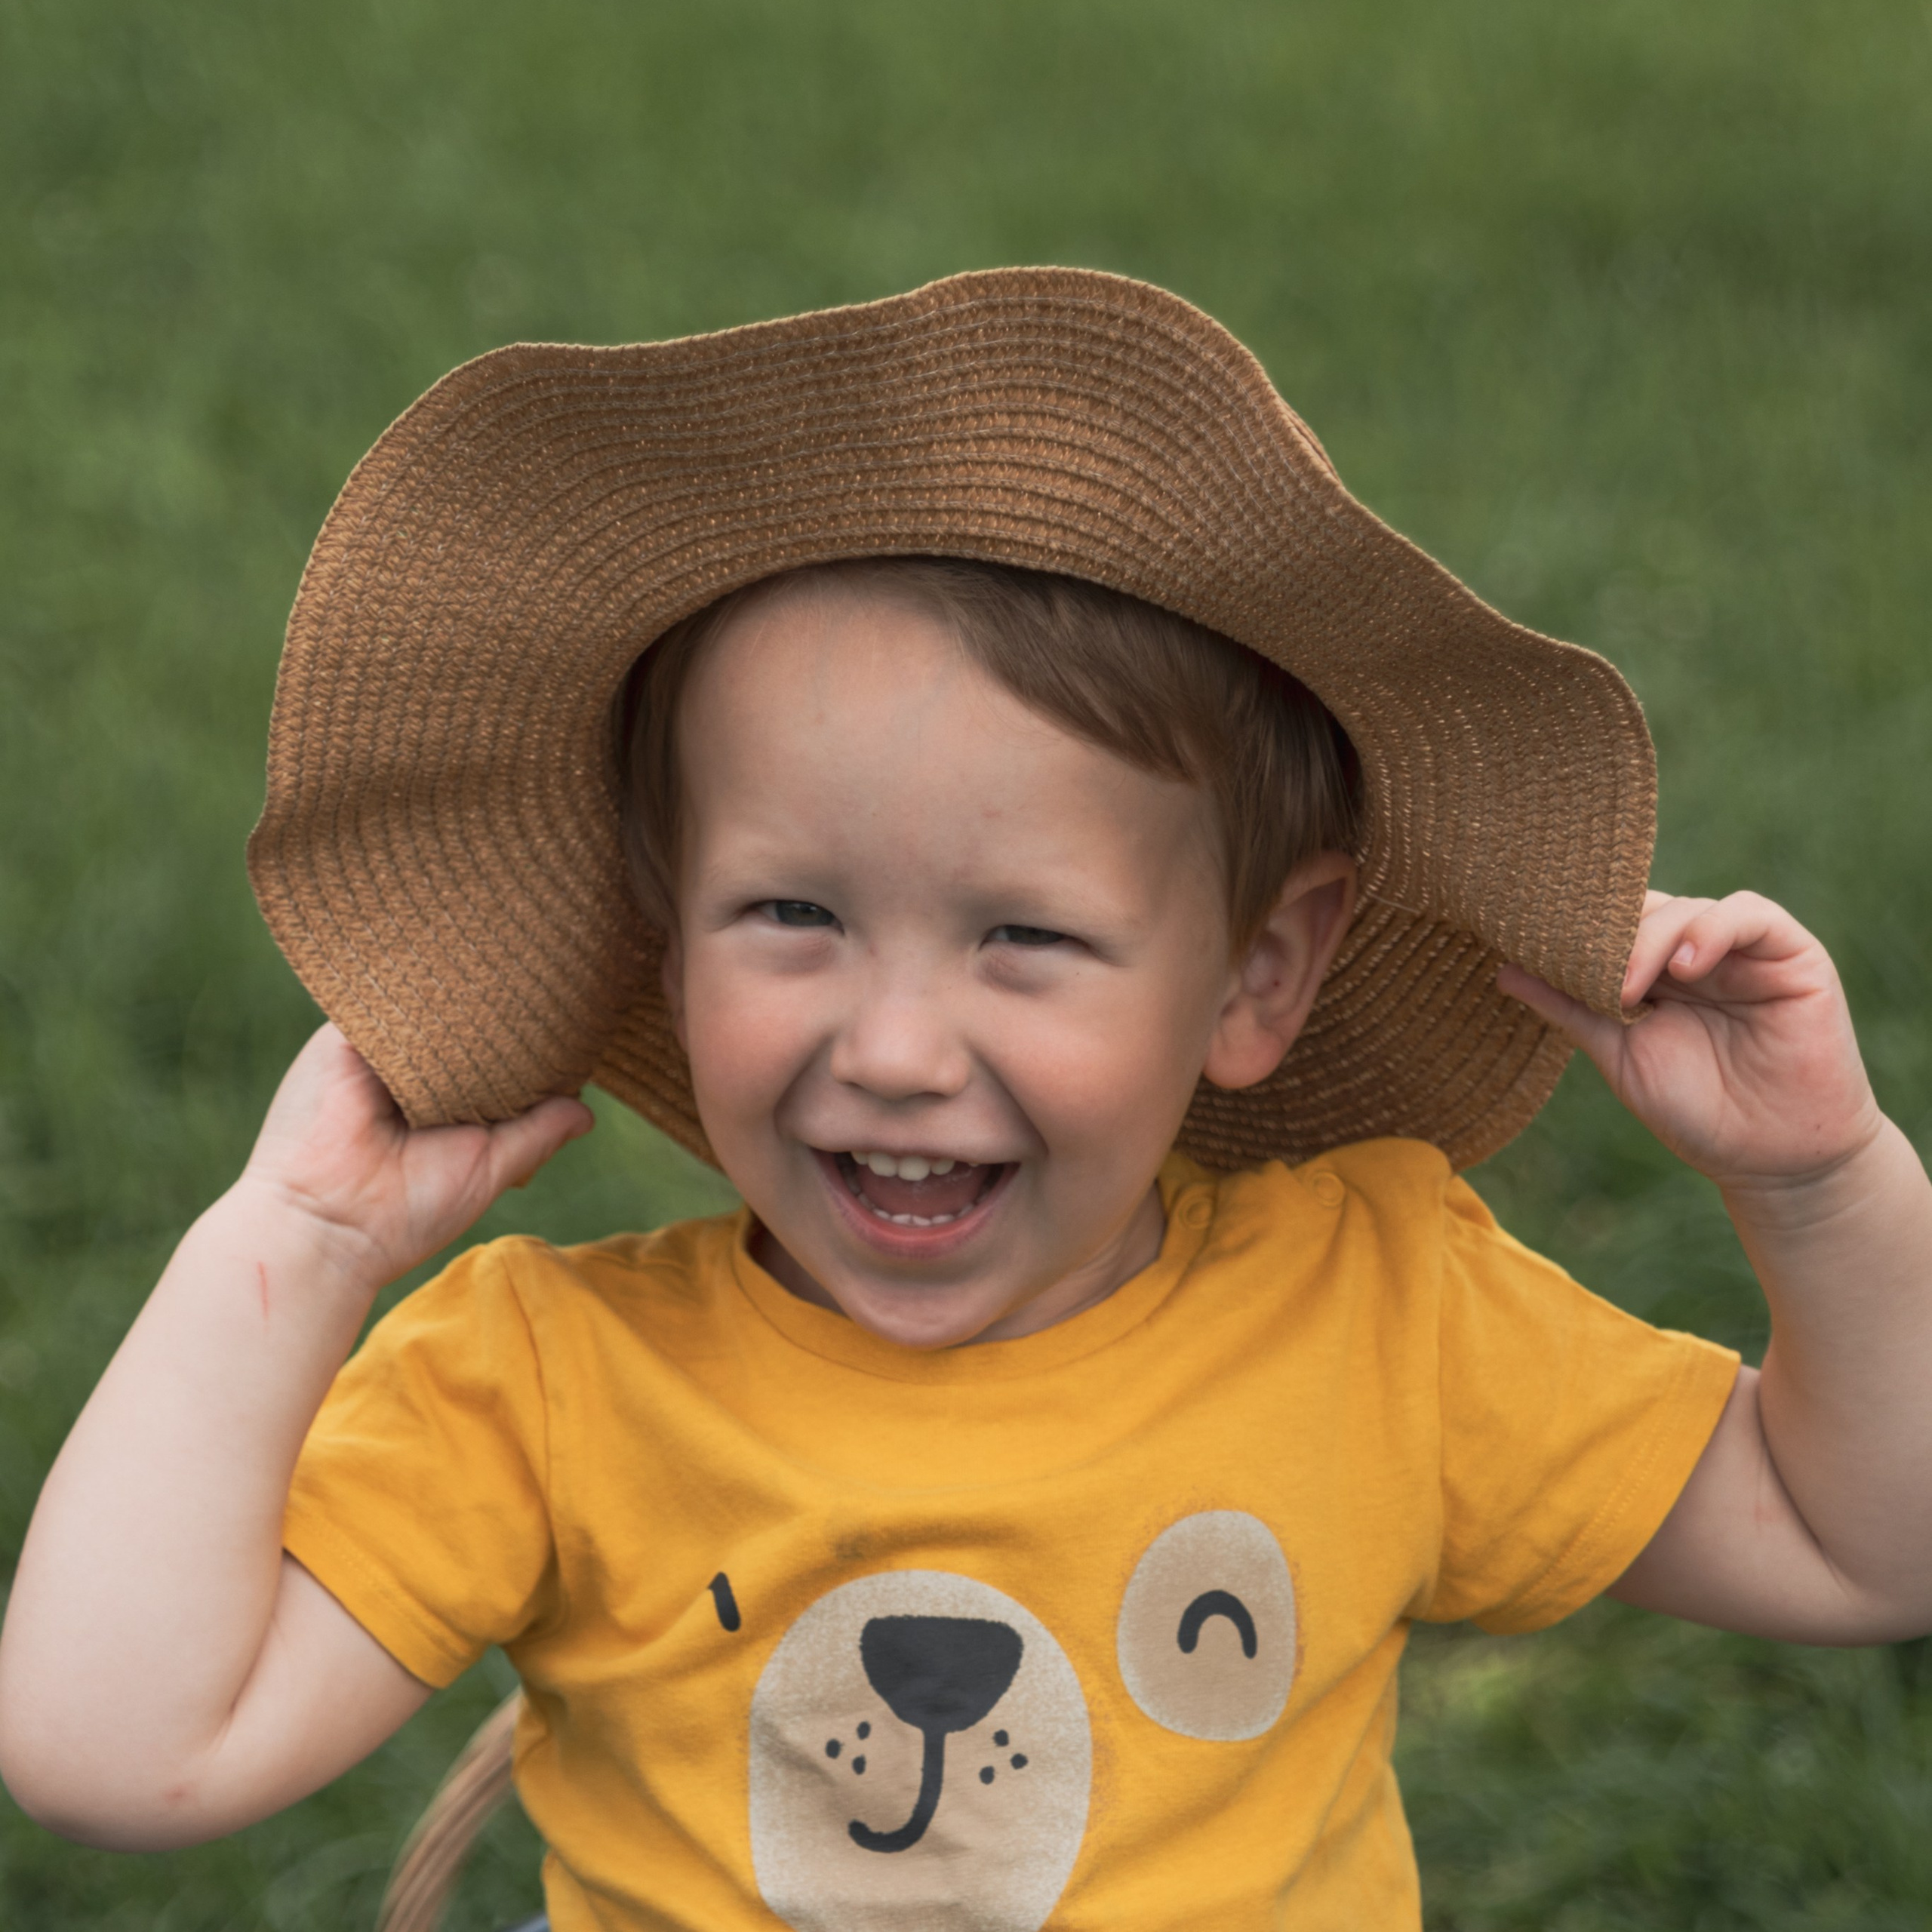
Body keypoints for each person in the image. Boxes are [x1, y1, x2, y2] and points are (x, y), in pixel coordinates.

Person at [2, 269, 1927, 1932]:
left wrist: (1818, 1183)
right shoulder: (548, 1383)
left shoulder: (1377, 1315)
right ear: (662, 934)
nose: (898, 1045)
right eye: (792, 914)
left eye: (1022, 934)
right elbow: (112, 1748)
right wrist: (293, 1245)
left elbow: (1862, 1541)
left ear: (1254, 973)